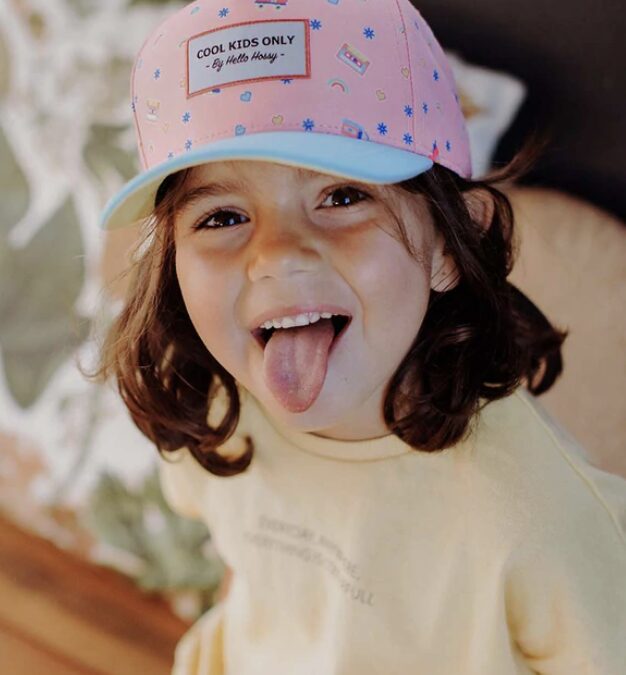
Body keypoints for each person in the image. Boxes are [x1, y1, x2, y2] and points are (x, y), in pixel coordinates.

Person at [93, 0, 626, 673]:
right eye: (222, 216)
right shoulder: (215, 412)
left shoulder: (538, 511)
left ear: (449, 244)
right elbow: (251, 578)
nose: (276, 254)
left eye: (342, 197)